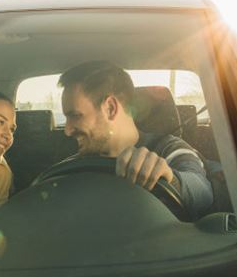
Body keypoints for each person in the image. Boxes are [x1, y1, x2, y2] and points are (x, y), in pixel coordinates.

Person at [58, 61, 213, 220]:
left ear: (110, 108)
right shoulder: (75, 164)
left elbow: (202, 193)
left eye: (75, 116)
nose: (67, 130)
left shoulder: (169, 149)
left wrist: (170, 179)